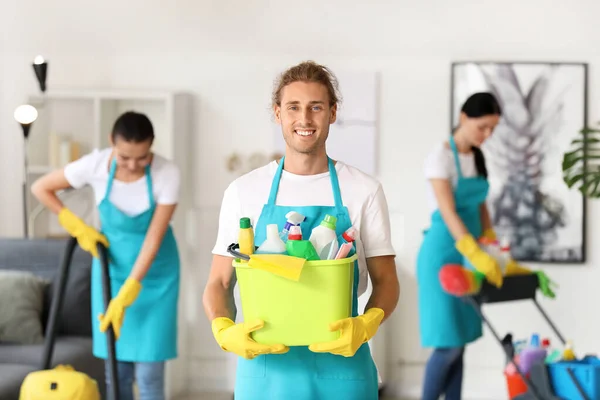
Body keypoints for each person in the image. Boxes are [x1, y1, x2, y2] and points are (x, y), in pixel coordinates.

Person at [203, 60, 400, 400]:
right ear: (278, 113)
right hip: (266, 372)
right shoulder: (244, 191)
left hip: (342, 367)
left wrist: (366, 324)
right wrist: (223, 329)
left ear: (332, 113)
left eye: (316, 107)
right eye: (294, 107)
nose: (305, 119)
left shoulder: (363, 189)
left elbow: (387, 281)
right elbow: (220, 283)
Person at [31, 111, 181, 400]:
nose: (133, 165)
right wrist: (77, 226)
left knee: (150, 375)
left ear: (152, 146)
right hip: (110, 272)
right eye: (125, 157)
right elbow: (42, 187)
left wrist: (128, 292)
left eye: (142, 157)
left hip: (155, 276)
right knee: (117, 372)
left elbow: (153, 238)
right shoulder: (95, 165)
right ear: (112, 141)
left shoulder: (167, 172)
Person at [416, 92, 505, 400]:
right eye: (483, 127)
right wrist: (474, 251)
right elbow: (448, 211)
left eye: (492, 128)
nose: (487, 135)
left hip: (470, 255)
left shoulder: (477, 157)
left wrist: (491, 243)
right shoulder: (439, 157)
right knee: (448, 342)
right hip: (443, 254)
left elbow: (481, 207)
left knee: (461, 340)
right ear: (464, 117)